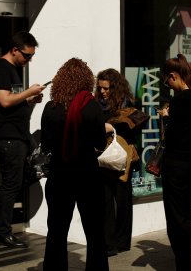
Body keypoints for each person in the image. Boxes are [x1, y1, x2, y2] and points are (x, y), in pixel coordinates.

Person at [41, 58, 109, 271]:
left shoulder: (51, 108)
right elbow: (100, 142)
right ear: (87, 80)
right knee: (95, 233)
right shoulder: (92, 106)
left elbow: (46, 145)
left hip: (59, 175)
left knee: (56, 233)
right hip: (87, 175)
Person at [0, 31, 45, 248]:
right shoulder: (2, 69)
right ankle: (3, 231)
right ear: (15, 50)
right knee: (11, 184)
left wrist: (31, 100)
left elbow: (14, 105)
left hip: (18, 134)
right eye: (27, 56)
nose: (29, 60)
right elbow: (5, 101)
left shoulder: (14, 70)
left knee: (31, 173)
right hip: (8, 137)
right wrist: (28, 93)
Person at [158, 54, 191, 271]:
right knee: (185, 212)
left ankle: (184, 264)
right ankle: (187, 262)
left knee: (175, 216)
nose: (168, 85)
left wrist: (167, 118)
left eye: (166, 81)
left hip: (176, 165)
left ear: (173, 75)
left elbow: (172, 138)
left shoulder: (179, 101)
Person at [95, 68, 137, 256]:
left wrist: (113, 126)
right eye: (100, 88)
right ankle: (109, 243)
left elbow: (137, 124)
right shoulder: (97, 104)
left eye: (106, 88)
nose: (103, 92)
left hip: (121, 157)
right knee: (104, 201)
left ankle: (121, 241)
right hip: (103, 158)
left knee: (123, 200)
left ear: (115, 87)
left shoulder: (126, 103)